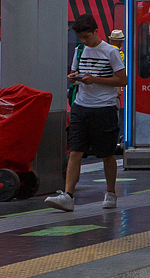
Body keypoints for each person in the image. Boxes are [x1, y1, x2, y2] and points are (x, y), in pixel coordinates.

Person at [46, 15, 127, 212]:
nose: (83, 41)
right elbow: (76, 73)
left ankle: (110, 192)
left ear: (95, 32)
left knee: (107, 154)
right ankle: (68, 196)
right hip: (80, 106)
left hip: (104, 108)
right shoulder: (80, 51)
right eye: (80, 38)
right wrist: (75, 78)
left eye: (86, 37)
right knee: (75, 151)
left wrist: (96, 79)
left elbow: (122, 80)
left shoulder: (111, 52)